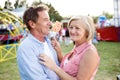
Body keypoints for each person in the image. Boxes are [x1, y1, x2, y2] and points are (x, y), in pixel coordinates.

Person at [39, 15, 100, 80]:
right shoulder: (78, 47)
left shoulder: (90, 53)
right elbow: (68, 68)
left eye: (77, 28)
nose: (72, 31)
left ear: (87, 31)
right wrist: (59, 52)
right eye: (71, 27)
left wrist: (54, 67)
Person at [17, 4, 59, 80]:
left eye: (49, 20)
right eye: (45, 20)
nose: (50, 23)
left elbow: (58, 67)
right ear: (32, 24)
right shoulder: (26, 48)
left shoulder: (49, 41)